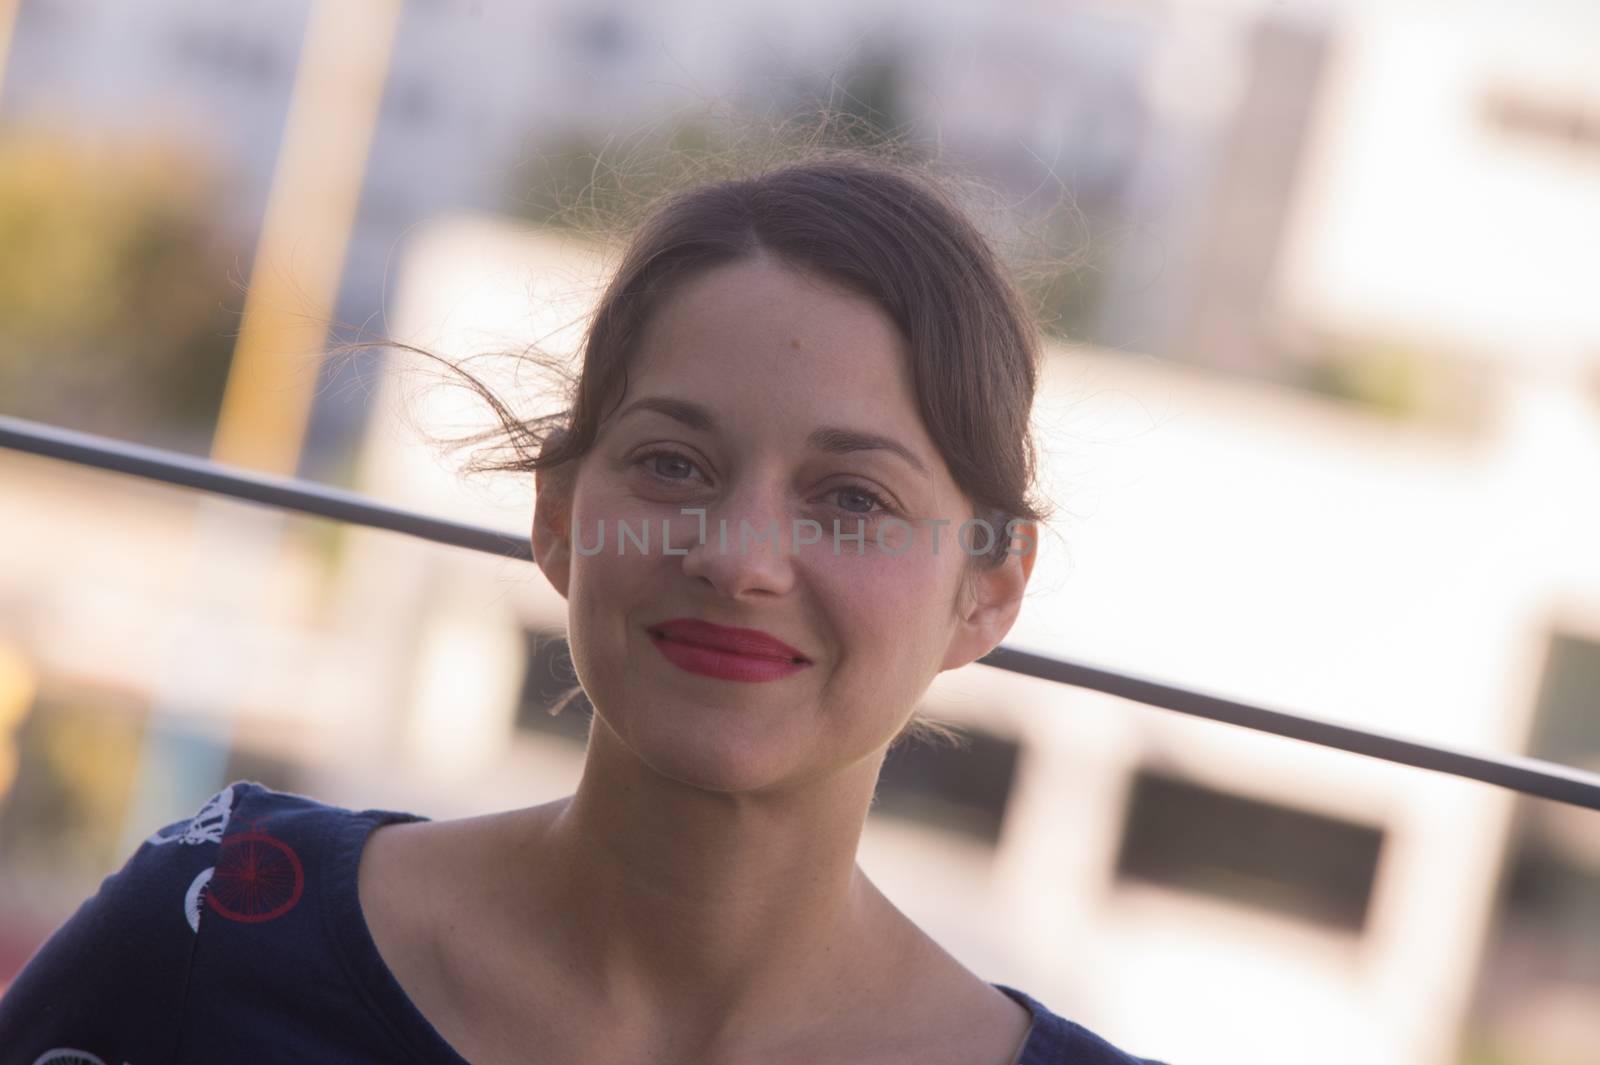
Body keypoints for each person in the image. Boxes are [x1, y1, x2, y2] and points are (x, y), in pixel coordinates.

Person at [0, 152, 1170, 1065]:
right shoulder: (224, 921)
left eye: (851, 497)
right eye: (673, 465)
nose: (737, 558)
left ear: (991, 586)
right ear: (558, 512)